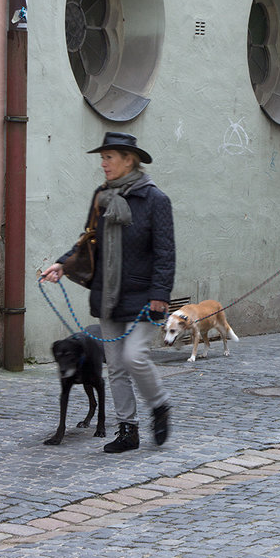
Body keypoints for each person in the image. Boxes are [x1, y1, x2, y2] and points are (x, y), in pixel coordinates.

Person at [42, 132, 175, 453]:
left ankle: (159, 405)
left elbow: (165, 252)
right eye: (102, 158)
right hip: (109, 296)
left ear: (129, 160)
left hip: (144, 296)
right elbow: (89, 240)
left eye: (109, 157)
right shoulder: (101, 197)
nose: (103, 164)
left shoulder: (156, 200)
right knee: (115, 366)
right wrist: (62, 264)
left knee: (134, 357)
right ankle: (127, 430)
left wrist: (160, 291)